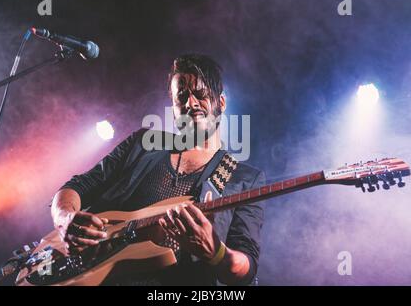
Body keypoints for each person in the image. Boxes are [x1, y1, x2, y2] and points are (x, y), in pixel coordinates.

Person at [51, 53, 266, 285]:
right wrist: (64, 218)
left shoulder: (244, 178)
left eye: (201, 95)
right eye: (181, 97)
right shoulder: (143, 143)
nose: (191, 104)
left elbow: (246, 268)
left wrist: (216, 252)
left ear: (220, 103)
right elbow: (77, 186)